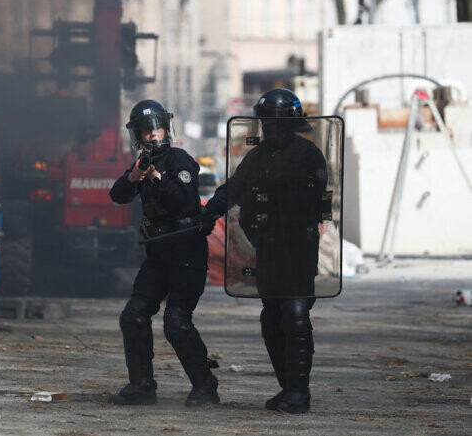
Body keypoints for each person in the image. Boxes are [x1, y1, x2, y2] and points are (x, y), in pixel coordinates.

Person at [204, 88, 328, 414]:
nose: (271, 129)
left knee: (295, 314)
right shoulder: (258, 156)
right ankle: (288, 388)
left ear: (290, 124)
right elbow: (235, 187)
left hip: (298, 248)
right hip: (270, 247)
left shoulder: (307, 154)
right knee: (272, 318)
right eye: (266, 123)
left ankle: (299, 393)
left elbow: (310, 199)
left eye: (276, 123)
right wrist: (207, 212)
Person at [108, 99, 218, 407]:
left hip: (186, 251)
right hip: (158, 255)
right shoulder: (141, 165)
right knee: (134, 315)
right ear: (138, 135)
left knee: (176, 321)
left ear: (166, 129)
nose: (153, 135)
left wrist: (156, 177)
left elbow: (181, 202)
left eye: (157, 128)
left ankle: (206, 386)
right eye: (146, 131)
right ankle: (142, 385)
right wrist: (133, 177)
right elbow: (117, 195)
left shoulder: (179, 160)